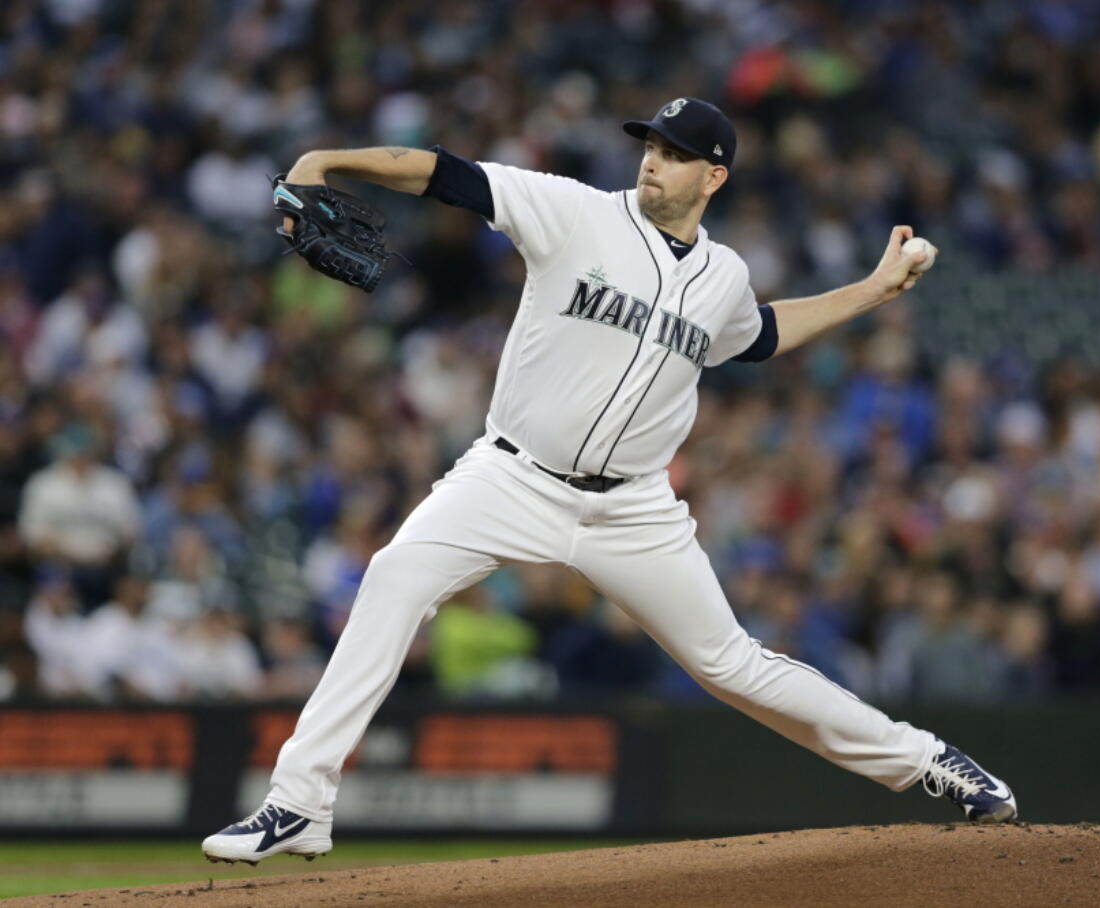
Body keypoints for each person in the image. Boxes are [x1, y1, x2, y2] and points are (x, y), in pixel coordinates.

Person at [203, 97, 1016, 865]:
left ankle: (930, 762)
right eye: (653, 148)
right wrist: (328, 159)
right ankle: (301, 802)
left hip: (634, 507)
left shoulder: (724, 276)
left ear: (714, 178)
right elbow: (441, 171)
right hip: (512, 476)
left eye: (678, 155)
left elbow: (762, 335)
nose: (655, 163)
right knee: (394, 577)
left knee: (732, 664)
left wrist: (873, 290)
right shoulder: (575, 210)